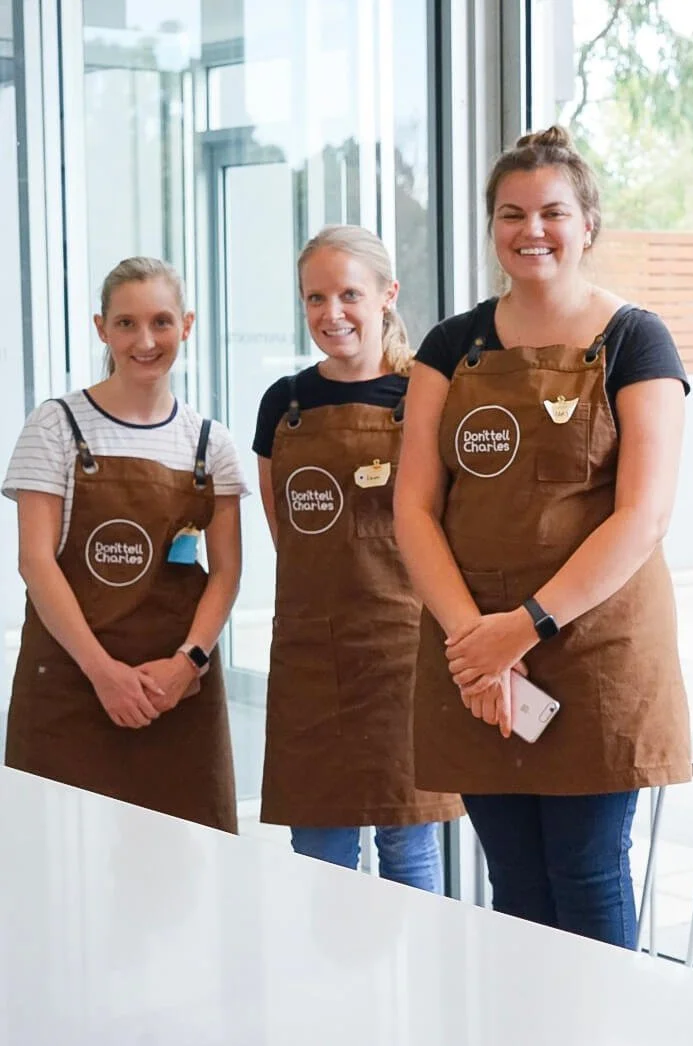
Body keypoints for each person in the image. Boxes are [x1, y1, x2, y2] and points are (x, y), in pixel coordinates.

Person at [394, 126, 691, 948]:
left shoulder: (637, 339)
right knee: (515, 878)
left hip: (593, 649)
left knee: (588, 870)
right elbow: (413, 508)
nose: (532, 230)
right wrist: (472, 640)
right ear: (491, 227)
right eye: (511, 213)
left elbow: (644, 513)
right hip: (474, 652)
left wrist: (519, 629)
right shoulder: (449, 348)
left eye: (553, 212)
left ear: (587, 224)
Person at [252, 225, 462, 890]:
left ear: (386, 296)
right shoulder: (282, 405)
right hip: (310, 657)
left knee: (409, 843)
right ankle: (326, 997)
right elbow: (286, 533)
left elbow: (450, 526)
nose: (330, 312)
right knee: (317, 851)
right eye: (314, 298)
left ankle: (418, 991)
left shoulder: (425, 397)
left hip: (404, 652)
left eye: (348, 293)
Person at [4, 257, 245, 831]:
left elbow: (227, 573)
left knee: (183, 884)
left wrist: (188, 664)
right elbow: (35, 562)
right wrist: (103, 673)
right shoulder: (55, 427)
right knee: (58, 869)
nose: (145, 340)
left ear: (186, 326)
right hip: (69, 689)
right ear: (101, 328)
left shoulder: (211, 445)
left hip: (177, 697)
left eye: (161, 322)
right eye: (126, 324)